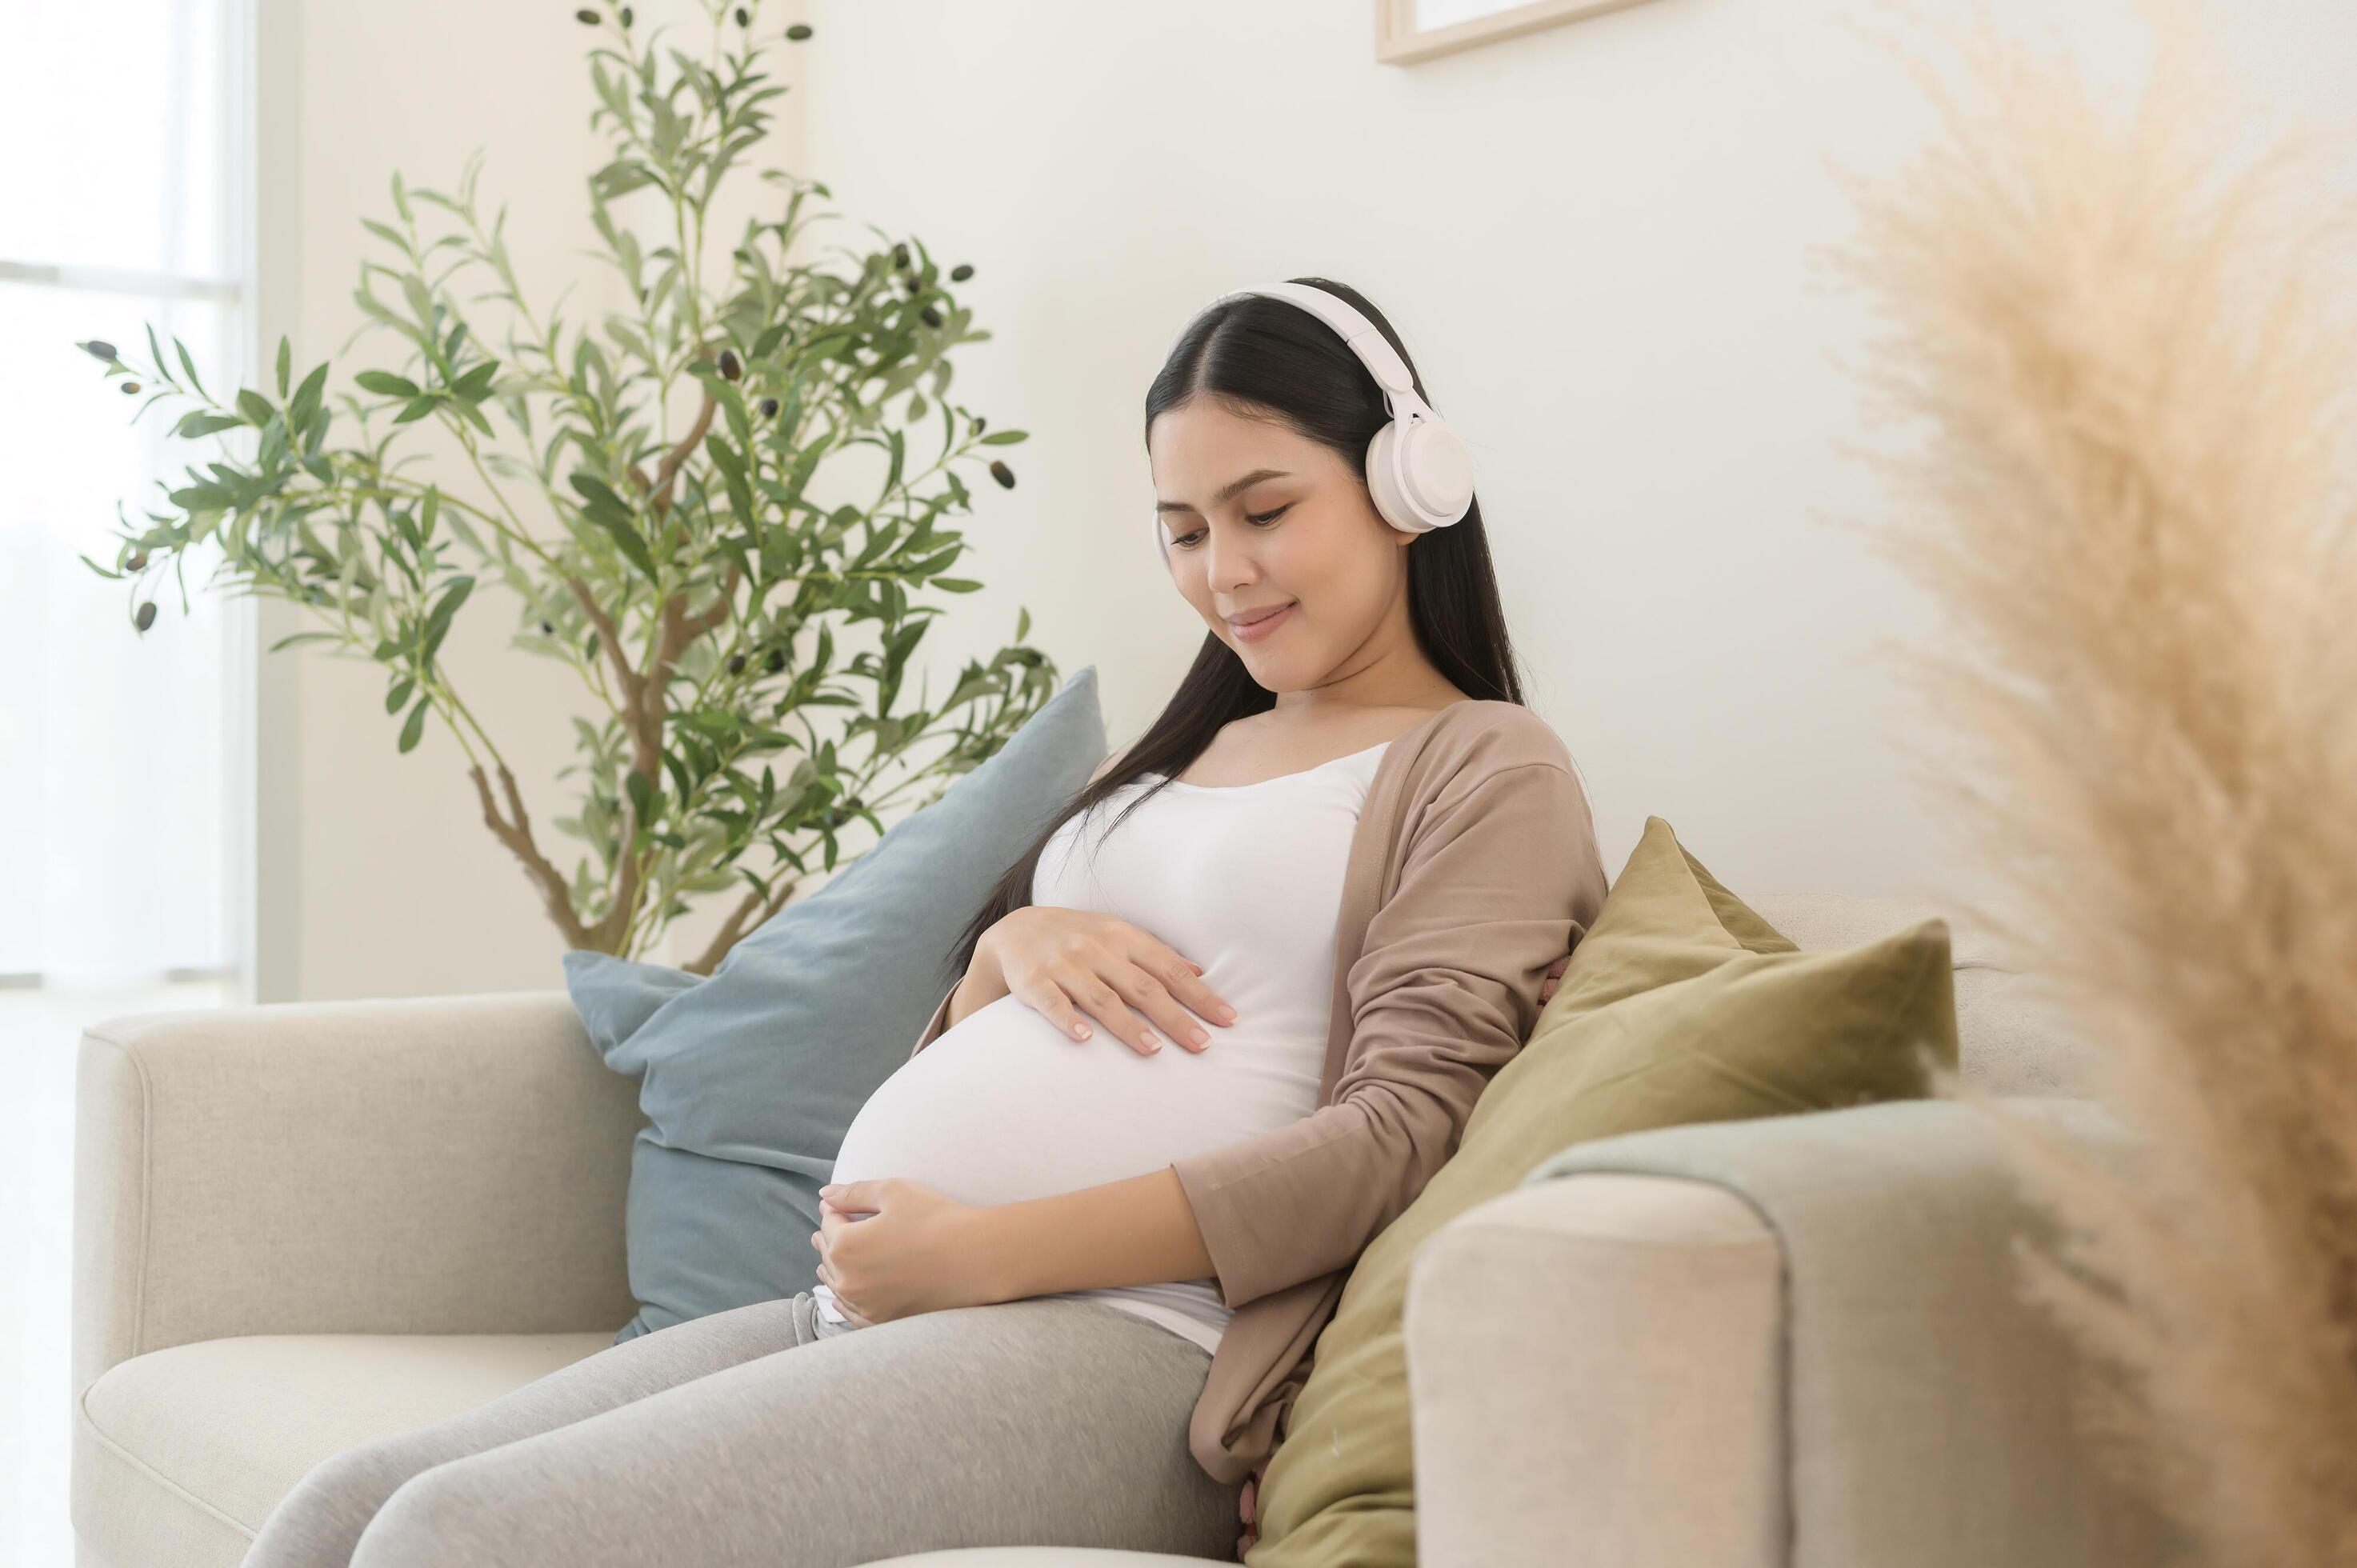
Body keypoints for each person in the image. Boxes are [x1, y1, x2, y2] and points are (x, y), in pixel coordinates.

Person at [240, 277, 1609, 1568]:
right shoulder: (1193, 746)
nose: (1222, 573)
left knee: (459, 1540)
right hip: (884, 1306)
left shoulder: (1483, 765)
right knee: (343, 1510)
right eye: (1183, 532)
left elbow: (1404, 1137)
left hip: (1141, 1348)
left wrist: (988, 1250)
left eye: (1265, 510)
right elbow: (986, 1041)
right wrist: (1001, 959)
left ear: (1401, 483)